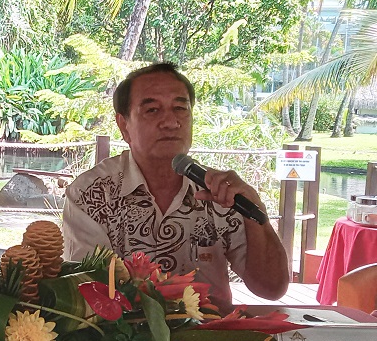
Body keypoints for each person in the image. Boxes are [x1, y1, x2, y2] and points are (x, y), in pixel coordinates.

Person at [62, 62, 289, 313]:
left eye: (180, 108)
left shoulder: (221, 194)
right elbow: (90, 292)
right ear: (124, 125)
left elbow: (271, 289)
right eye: (152, 110)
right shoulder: (92, 195)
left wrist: (255, 212)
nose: (170, 122)